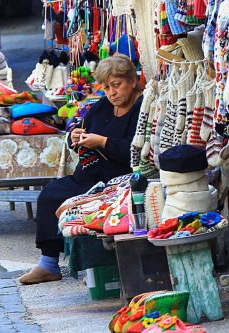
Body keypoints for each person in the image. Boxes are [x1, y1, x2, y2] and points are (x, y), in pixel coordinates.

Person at [19, 54, 143, 284]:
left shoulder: (140, 110)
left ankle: (93, 267)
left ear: (132, 82)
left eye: (117, 85)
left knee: (82, 204)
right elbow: (82, 129)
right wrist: (75, 136)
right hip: (90, 174)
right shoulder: (104, 106)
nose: (112, 93)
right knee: (50, 195)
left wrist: (103, 142)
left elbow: (137, 151)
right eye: (106, 88)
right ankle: (49, 264)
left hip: (119, 181)